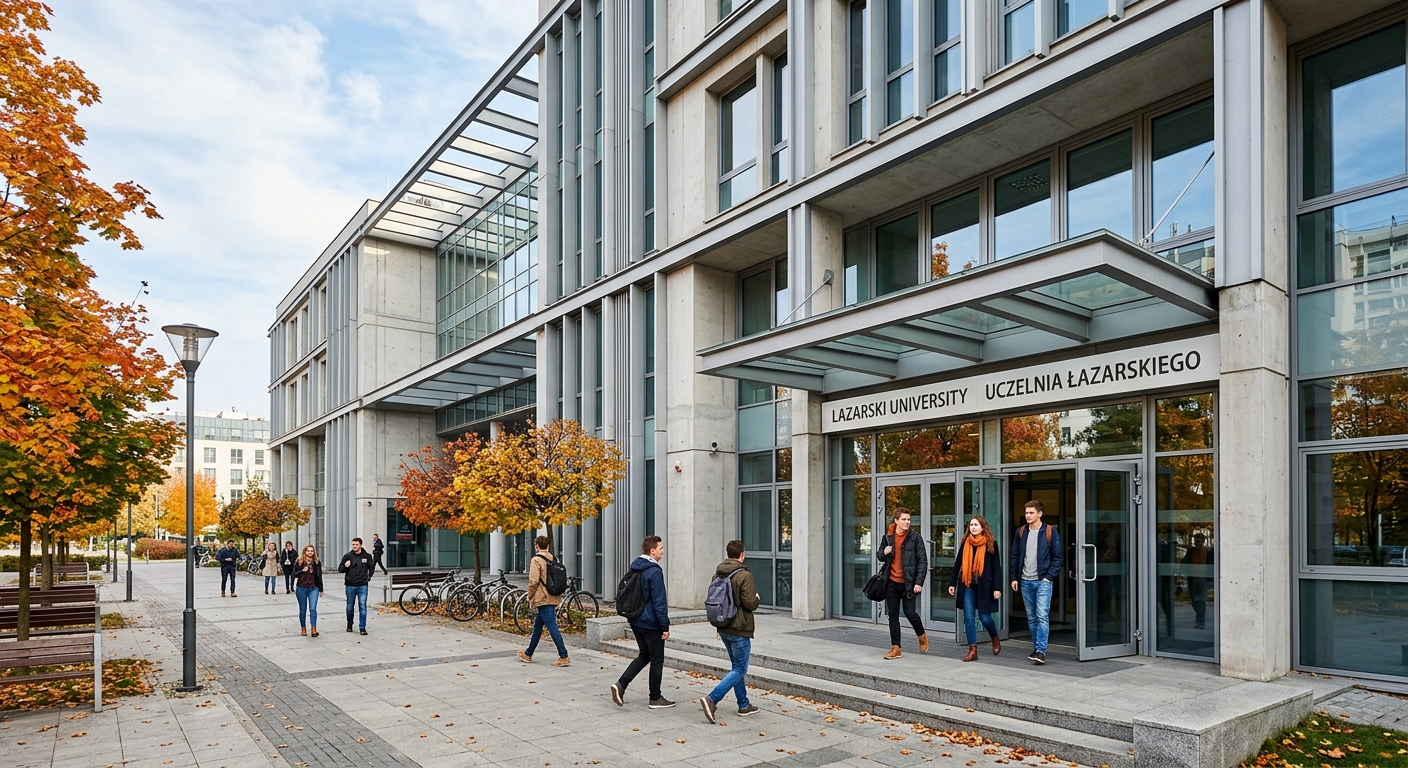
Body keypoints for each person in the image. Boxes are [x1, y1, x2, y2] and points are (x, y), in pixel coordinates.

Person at [700, 540, 760, 724]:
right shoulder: (744, 574)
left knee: (736, 667)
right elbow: (749, 603)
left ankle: (743, 704)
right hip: (739, 627)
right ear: (742, 554)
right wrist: (757, 599)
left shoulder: (717, 574)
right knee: (740, 668)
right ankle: (712, 699)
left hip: (723, 626)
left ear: (728, 554)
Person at [610, 535, 673, 709]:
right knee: (657, 659)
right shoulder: (654, 571)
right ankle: (655, 698)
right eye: (660, 548)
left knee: (644, 655)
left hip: (636, 619)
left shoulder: (636, 567)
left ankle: (621, 685)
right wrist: (664, 626)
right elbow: (659, 602)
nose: (662, 551)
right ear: (652, 551)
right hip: (650, 623)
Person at [1010, 500, 1063, 665]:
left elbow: (1058, 557)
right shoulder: (1021, 532)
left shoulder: (1049, 531)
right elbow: (1015, 556)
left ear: (1040, 514)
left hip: (1043, 581)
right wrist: (1014, 577)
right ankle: (1036, 649)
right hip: (1025, 580)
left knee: (1042, 616)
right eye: (1026, 513)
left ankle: (1041, 651)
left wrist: (1048, 577)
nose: (1028, 515)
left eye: (1031, 513)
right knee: (1032, 618)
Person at [876, 507, 929, 660]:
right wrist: (884, 552)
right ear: (896, 521)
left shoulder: (915, 537)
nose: (907, 522)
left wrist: (919, 582)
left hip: (909, 584)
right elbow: (879, 556)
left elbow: (922, 561)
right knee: (893, 615)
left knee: (910, 613)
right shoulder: (888, 537)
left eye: (908, 519)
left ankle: (922, 635)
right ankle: (896, 647)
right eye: (904, 519)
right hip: (891, 582)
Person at [948, 516, 1002, 662]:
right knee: (969, 617)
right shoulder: (965, 544)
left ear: (983, 527)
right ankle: (973, 649)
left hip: (985, 586)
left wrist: (997, 588)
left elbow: (997, 568)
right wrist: (952, 583)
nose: (973, 527)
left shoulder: (991, 544)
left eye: (976, 525)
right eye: (971, 525)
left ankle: (994, 637)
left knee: (985, 618)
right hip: (968, 585)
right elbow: (957, 565)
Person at [517, 536, 570, 667]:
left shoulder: (536, 560)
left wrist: (530, 596)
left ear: (536, 546)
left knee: (552, 625)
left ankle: (564, 655)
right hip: (553, 595)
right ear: (547, 545)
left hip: (542, 597)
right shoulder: (553, 558)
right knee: (538, 626)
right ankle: (528, 654)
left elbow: (533, 581)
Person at [338, 538, 374, 635]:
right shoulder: (348, 556)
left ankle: (362, 627)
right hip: (350, 585)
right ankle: (349, 623)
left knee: (362, 605)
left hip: (362, 585)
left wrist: (369, 576)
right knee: (350, 606)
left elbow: (371, 566)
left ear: (361, 545)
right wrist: (345, 566)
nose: (354, 546)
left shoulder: (367, 556)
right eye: (353, 544)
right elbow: (340, 569)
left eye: (356, 544)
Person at [1182, 532, 1213, 629]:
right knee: (1194, 601)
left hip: (1203, 580)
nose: (1198, 542)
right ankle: (1199, 617)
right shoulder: (1191, 551)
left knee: (1201, 601)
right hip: (1193, 579)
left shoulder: (1208, 552)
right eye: (1196, 540)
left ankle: (1200, 620)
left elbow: (1211, 565)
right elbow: (1184, 563)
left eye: (1200, 541)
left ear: (1203, 542)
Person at [294, 545, 324, 637]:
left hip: (313, 588)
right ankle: (303, 628)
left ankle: (313, 629)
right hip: (301, 588)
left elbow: (319, 575)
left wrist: (321, 588)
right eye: (308, 551)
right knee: (303, 610)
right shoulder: (299, 562)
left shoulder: (317, 562)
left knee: (313, 609)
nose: (310, 552)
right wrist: (302, 571)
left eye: (312, 551)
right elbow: (294, 574)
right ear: (305, 551)